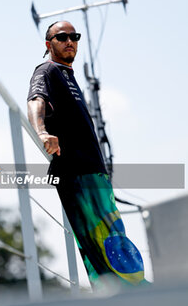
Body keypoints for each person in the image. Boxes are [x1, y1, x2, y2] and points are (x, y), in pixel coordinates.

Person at [27, 21, 145, 289]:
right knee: (107, 243)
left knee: (111, 239)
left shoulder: (67, 75)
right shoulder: (47, 70)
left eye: (74, 36)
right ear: (49, 44)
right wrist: (42, 132)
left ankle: (123, 301)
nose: (69, 40)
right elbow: (35, 100)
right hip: (77, 174)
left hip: (93, 173)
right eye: (62, 37)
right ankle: (136, 296)